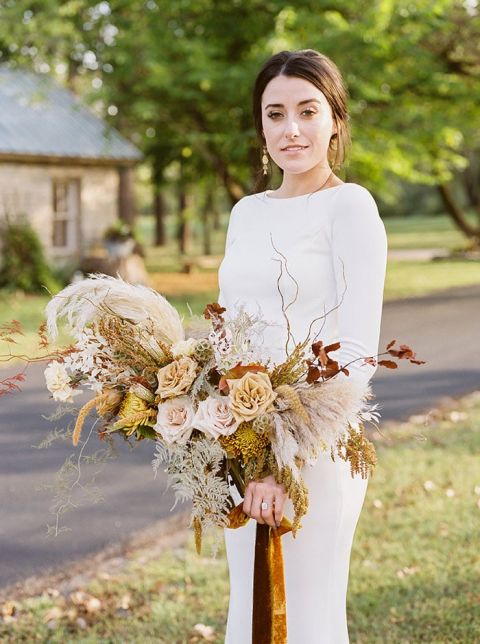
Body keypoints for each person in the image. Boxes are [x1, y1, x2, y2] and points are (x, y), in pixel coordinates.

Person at [218, 49, 388, 643]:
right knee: (250, 612)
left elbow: (357, 354)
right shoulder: (246, 212)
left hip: (315, 448)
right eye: (275, 113)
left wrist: (279, 461)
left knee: (307, 618)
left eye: (307, 111)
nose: (291, 129)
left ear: (335, 119)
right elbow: (228, 335)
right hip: (235, 444)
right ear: (261, 126)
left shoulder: (351, 207)